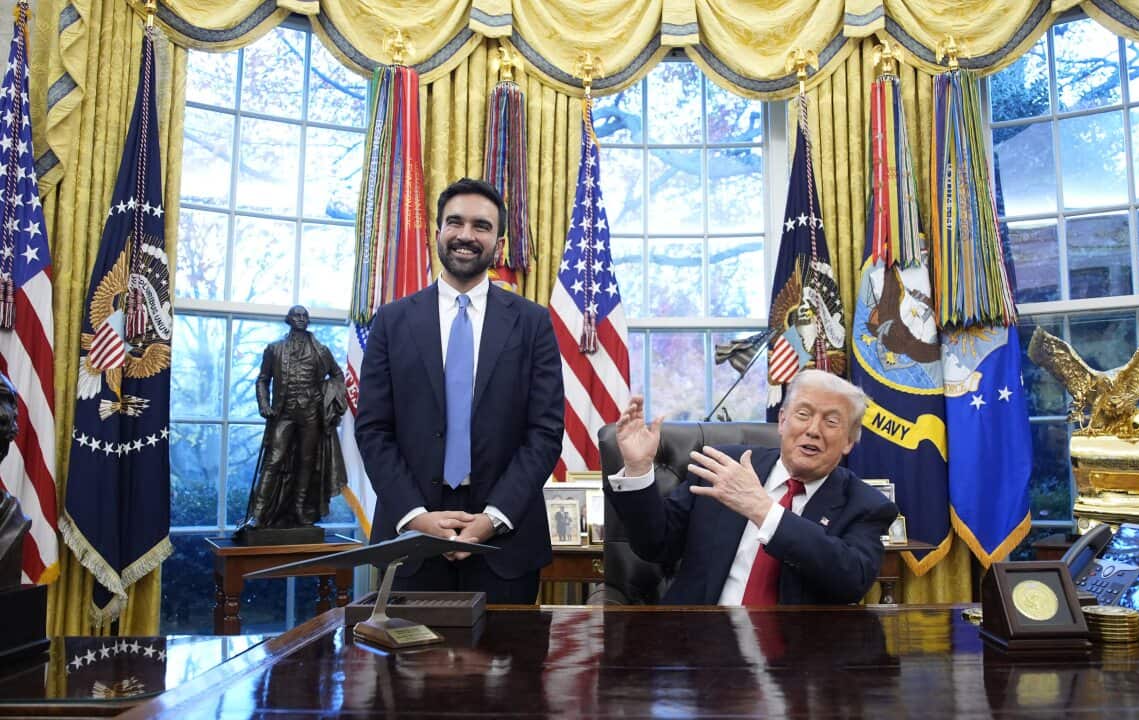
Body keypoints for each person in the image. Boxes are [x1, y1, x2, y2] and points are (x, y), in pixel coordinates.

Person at [356, 178, 564, 604]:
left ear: (499, 244)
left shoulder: (533, 323)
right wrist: (417, 517)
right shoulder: (392, 321)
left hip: (505, 542)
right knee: (409, 651)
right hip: (412, 540)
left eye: (481, 226)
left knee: (509, 652)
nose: (466, 235)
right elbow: (373, 430)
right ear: (438, 233)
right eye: (455, 222)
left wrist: (491, 520)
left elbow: (544, 433)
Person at [606, 369, 897, 605]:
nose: (813, 430)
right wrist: (638, 469)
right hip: (698, 640)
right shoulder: (723, 468)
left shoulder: (866, 505)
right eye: (803, 414)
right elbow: (655, 545)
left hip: (799, 653)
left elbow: (851, 581)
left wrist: (764, 511)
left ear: (849, 441)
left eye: (831, 421)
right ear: (782, 421)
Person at [248, 305, 347, 528]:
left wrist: (327, 396)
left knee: (307, 462)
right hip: (283, 413)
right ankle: (259, 513)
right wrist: (264, 404)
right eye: (297, 315)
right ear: (289, 319)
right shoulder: (274, 349)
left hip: (310, 414)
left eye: (305, 316)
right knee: (273, 460)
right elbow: (263, 379)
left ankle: (299, 510)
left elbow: (338, 375)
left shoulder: (321, 351)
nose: (301, 319)